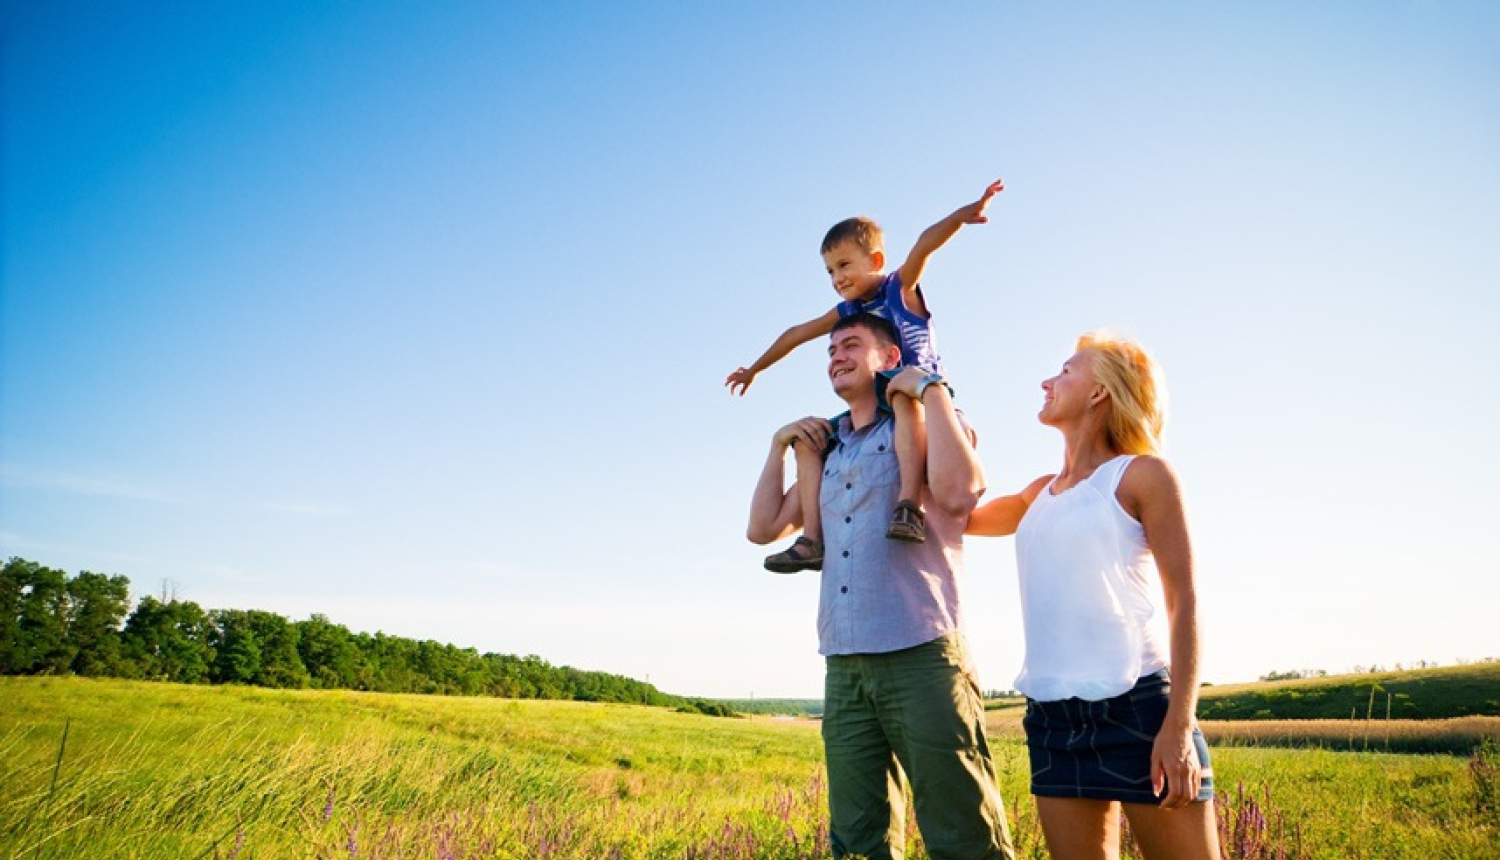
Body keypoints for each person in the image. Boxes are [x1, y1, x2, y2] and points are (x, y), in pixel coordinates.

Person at [747, 312, 1015, 860]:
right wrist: (778, 445)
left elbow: (962, 494)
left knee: (964, 832)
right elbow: (762, 527)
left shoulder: (923, 423)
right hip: (844, 663)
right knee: (856, 840)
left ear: (890, 359)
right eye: (829, 351)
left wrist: (932, 389)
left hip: (921, 654)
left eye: (850, 344)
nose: (836, 356)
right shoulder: (830, 449)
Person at [966, 332, 1220, 860]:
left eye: (1064, 371)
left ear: (1101, 391)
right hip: (1053, 717)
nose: (1047, 381)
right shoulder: (1038, 493)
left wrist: (1178, 724)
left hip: (1141, 710)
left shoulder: (1142, 476)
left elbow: (1186, 600)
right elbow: (954, 516)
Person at [728, 179, 1004, 573]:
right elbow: (796, 334)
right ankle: (813, 540)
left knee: (900, 395)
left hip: (917, 392)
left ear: (874, 261)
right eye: (829, 271)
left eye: (844, 265)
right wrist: (755, 368)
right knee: (810, 439)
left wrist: (961, 216)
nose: (837, 278)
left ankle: (907, 504)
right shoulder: (847, 312)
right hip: (876, 403)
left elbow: (924, 244)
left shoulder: (898, 289)